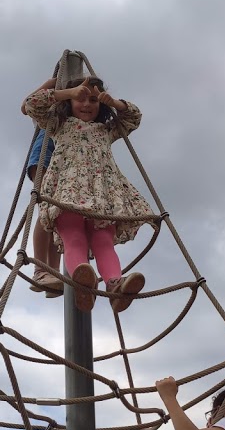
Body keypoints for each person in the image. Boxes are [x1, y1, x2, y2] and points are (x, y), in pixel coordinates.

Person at [23, 76, 152, 313]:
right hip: (68, 192)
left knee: (103, 241)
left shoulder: (106, 130)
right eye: (80, 99)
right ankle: (83, 283)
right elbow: (31, 104)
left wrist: (114, 102)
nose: (86, 104)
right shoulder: (59, 126)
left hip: (102, 195)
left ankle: (115, 287)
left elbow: (134, 116)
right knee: (73, 238)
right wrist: (66, 92)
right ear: (70, 102)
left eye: (93, 100)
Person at [21, 77, 61, 296]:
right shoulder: (48, 107)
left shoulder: (75, 112)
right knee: (46, 211)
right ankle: (40, 270)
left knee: (61, 217)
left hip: (67, 163)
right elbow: (25, 105)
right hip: (45, 156)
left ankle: (54, 274)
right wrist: (52, 83)